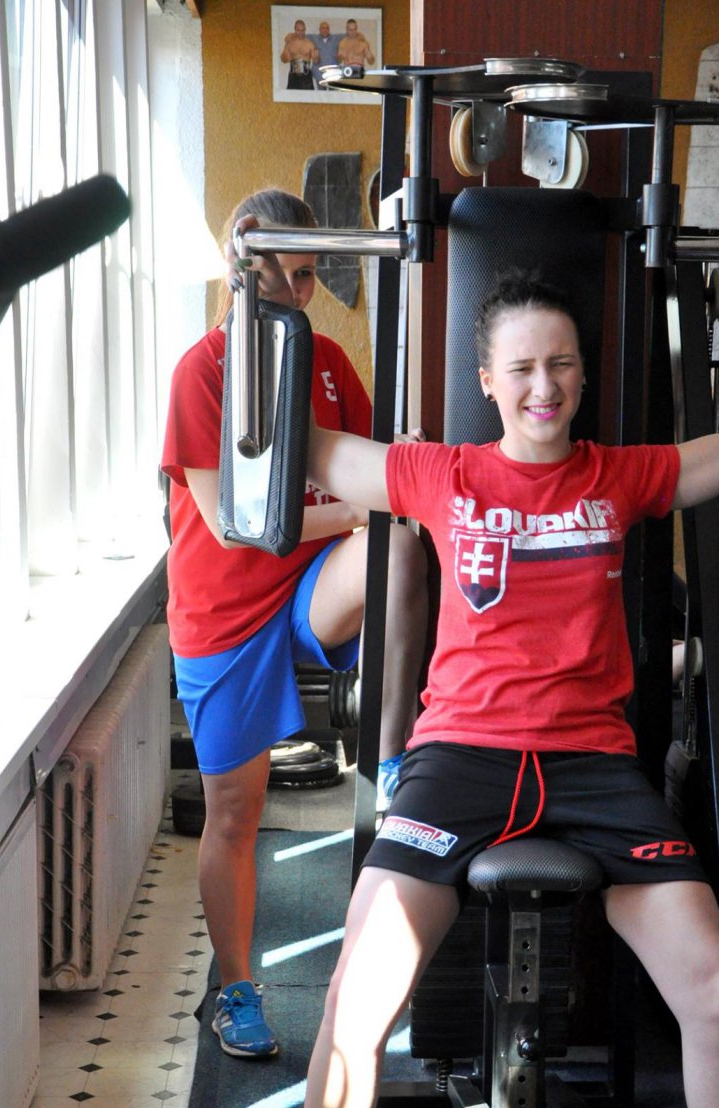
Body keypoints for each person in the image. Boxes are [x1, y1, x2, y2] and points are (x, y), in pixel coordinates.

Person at [227, 225, 719, 1108]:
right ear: (486, 378)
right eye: (520, 368)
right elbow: (293, 443)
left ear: (580, 372)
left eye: (559, 364)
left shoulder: (620, 475)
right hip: (457, 758)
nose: (543, 387)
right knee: (357, 999)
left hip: (592, 765)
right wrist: (259, 311)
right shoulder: (439, 475)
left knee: (715, 991)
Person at [161, 187, 427, 1060]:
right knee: (236, 813)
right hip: (223, 608)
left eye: (312, 276)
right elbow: (232, 521)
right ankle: (235, 989)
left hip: (308, 584)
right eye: (288, 275)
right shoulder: (203, 372)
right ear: (242, 266)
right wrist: (357, 511)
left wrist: (420, 478)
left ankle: (394, 758)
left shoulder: (327, 363)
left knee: (399, 546)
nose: (302, 293)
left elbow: (377, 476)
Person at [281, 20, 319, 90]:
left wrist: (316, 57)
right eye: (298, 30)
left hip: (306, 77)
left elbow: (316, 61)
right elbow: (283, 60)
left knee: (308, 96)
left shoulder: (310, 44)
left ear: (305, 30)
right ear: (295, 30)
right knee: (292, 96)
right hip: (293, 76)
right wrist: (286, 46)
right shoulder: (290, 43)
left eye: (303, 30)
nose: (301, 33)